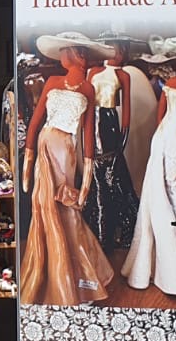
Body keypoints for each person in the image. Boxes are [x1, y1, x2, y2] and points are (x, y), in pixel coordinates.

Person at [19, 33, 116, 306]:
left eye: (80, 53)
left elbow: (88, 134)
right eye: (76, 53)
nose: (79, 58)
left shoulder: (88, 89)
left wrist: (86, 181)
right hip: (46, 146)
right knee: (44, 206)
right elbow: (35, 122)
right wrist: (28, 161)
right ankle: (52, 274)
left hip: (66, 150)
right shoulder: (52, 81)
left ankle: (77, 279)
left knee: (67, 207)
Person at [123, 35, 176, 296]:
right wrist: (163, 145)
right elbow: (161, 118)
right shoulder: (173, 84)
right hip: (165, 144)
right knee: (164, 198)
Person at [85, 34, 142, 252]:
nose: (121, 54)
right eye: (118, 49)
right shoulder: (93, 72)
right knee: (97, 176)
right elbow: (87, 103)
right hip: (92, 121)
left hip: (109, 122)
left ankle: (115, 233)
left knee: (112, 175)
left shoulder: (123, 75)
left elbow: (126, 111)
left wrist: (122, 141)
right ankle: (99, 233)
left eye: (123, 49)